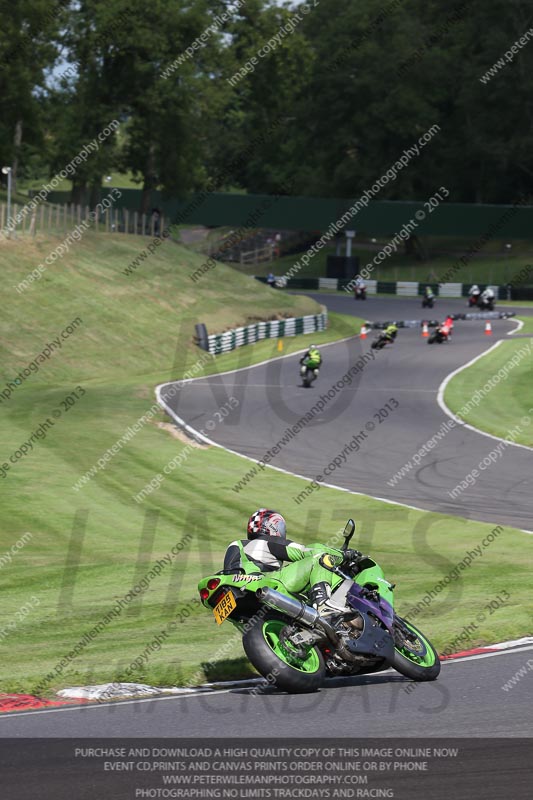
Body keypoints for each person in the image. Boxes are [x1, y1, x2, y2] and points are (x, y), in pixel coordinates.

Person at [222, 510, 355, 610]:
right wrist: (344, 555)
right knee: (319, 559)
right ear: (272, 527)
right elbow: (308, 551)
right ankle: (323, 605)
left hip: (239, 594)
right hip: (263, 583)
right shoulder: (264, 542)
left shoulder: (238, 547)